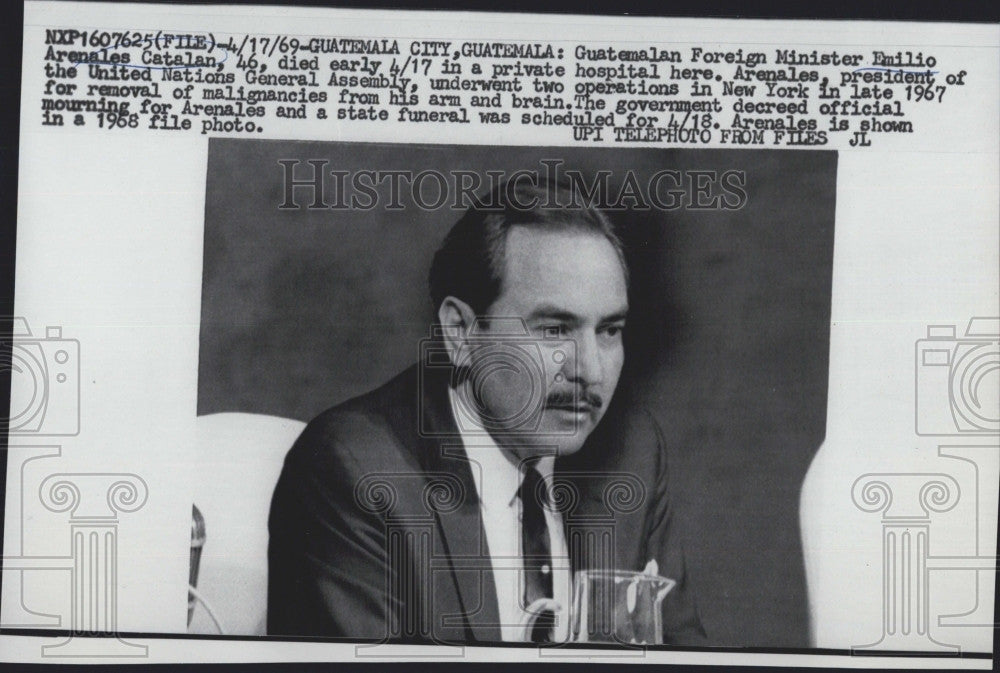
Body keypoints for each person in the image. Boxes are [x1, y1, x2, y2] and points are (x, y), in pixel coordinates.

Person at [267, 177, 706, 645]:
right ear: (461, 332)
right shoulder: (354, 470)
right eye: (555, 330)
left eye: (609, 330)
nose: (590, 371)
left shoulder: (631, 450)